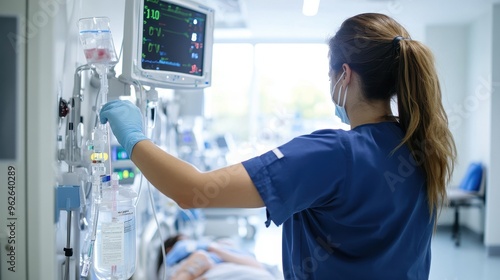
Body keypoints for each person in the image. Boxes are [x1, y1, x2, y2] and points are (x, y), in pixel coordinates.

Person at [100, 13, 456, 280]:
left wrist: (133, 137)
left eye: (330, 74)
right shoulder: (421, 146)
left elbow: (194, 192)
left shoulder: (333, 153)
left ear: (344, 75)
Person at [156, 234, 276, 280]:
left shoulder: (215, 251)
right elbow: (201, 257)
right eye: (183, 241)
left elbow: (258, 266)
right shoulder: (176, 261)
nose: (191, 242)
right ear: (169, 250)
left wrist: (215, 249)